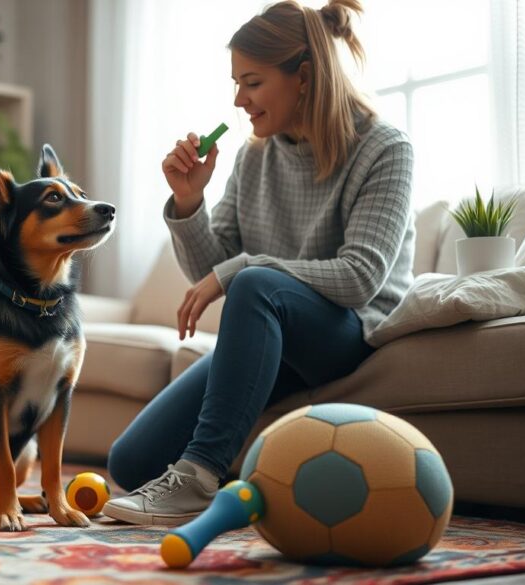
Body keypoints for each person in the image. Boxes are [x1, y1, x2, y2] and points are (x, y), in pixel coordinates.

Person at [102, 0, 415, 526]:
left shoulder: (384, 148)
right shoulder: (253, 156)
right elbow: (215, 265)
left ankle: (200, 477)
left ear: (305, 77)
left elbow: (360, 277)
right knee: (130, 462)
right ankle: (243, 493)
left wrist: (241, 271)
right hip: (268, 327)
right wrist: (188, 201)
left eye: (251, 82)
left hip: (347, 333)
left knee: (254, 284)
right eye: (236, 82)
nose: (238, 99)